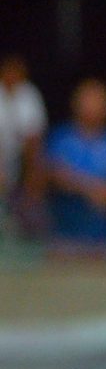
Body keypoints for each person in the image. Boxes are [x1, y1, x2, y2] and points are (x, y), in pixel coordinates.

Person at [46, 78, 106, 257]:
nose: (91, 106)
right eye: (87, 99)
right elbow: (53, 173)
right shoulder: (61, 138)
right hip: (63, 238)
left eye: (98, 100)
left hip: (103, 240)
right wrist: (89, 189)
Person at [0, 54, 48, 239]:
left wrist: (31, 178)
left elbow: (34, 138)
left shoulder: (29, 94)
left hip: (19, 162)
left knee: (25, 211)